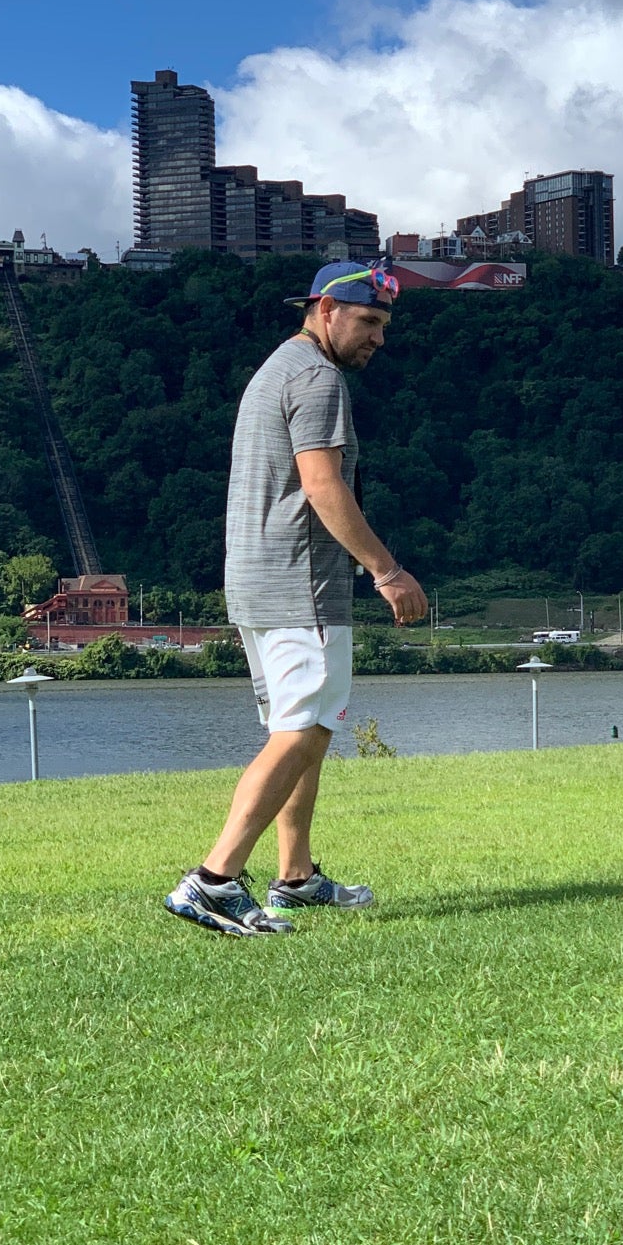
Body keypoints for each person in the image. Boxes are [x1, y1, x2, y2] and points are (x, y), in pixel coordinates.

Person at [166, 262, 428, 936]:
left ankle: (296, 877)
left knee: (303, 730)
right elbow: (323, 486)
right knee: (305, 729)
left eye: (384, 326)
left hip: (257, 580)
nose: (378, 338)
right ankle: (214, 880)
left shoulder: (279, 367)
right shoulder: (318, 378)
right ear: (325, 310)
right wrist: (388, 571)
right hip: (298, 584)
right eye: (368, 322)